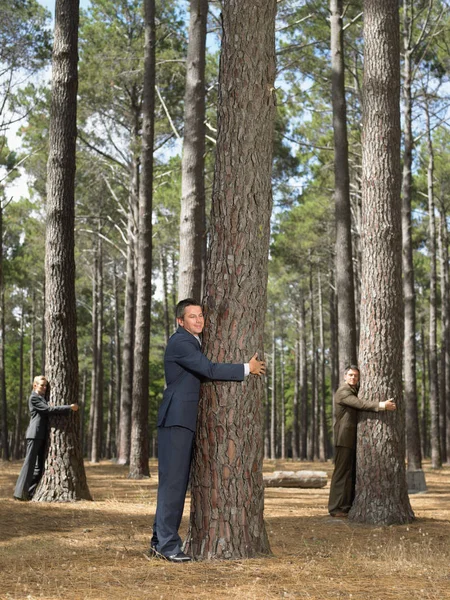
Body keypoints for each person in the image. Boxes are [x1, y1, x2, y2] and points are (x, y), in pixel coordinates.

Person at [151, 298, 265, 562]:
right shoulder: (181, 341)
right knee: (174, 485)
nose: (199, 320)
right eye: (192, 316)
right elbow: (209, 370)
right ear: (181, 321)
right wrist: (247, 368)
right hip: (176, 420)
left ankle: (159, 541)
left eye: (201, 315)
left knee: (173, 484)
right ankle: (167, 546)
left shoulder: (191, 340)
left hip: (181, 420)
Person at [328, 365, 396, 518]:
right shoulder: (343, 392)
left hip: (350, 438)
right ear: (345, 377)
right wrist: (382, 405)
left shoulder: (353, 390)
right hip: (343, 438)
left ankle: (345, 505)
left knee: (349, 472)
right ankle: (335, 508)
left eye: (356, 376)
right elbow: (360, 404)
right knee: (341, 473)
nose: (353, 378)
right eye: (350, 375)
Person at [14, 375, 79, 501]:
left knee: (39, 467)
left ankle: (30, 492)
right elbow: (48, 409)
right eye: (41, 385)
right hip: (34, 434)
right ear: (35, 386)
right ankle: (19, 493)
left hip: (42, 435)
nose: (44, 388)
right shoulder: (34, 398)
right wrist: (69, 408)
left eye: (45, 386)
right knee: (29, 464)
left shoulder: (42, 398)